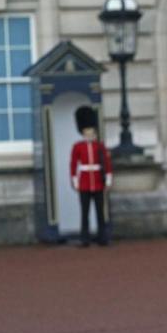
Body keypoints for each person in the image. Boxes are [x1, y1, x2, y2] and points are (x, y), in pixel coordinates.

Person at [69, 105, 112, 247]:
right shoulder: (78, 146)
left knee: (100, 212)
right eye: (87, 131)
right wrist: (75, 181)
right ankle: (84, 238)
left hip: (98, 182)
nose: (89, 133)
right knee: (85, 212)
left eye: (91, 131)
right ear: (83, 132)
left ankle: (102, 237)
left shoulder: (99, 146)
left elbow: (106, 162)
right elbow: (73, 164)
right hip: (84, 183)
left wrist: (108, 179)